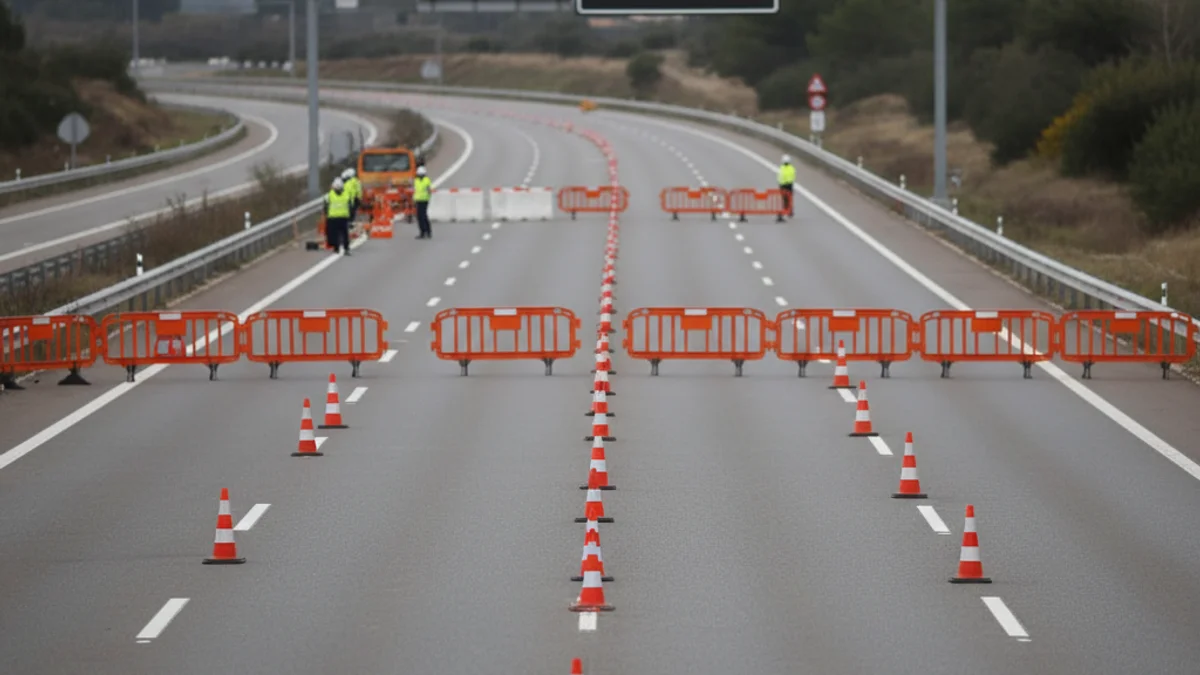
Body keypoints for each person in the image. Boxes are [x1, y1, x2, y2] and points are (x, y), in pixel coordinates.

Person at [324, 177, 352, 255]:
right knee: (344, 234)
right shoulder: (346, 194)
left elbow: (325, 206)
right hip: (343, 217)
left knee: (334, 234)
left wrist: (327, 214)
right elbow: (350, 205)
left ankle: (336, 248)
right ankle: (346, 248)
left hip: (333, 218)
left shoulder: (329, 195)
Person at [413, 165, 433, 239]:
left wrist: (428, 196)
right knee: (419, 216)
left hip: (424, 200)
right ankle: (423, 232)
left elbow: (429, 190)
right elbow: (415, 190)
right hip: (418, 200)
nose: (420, 176)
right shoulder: (416, 181)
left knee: (423, 216)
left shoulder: (426, 180)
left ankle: (427, 231)